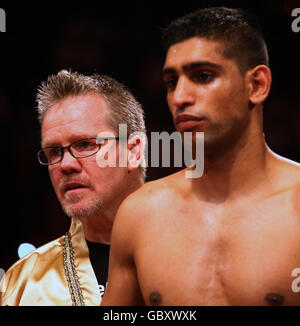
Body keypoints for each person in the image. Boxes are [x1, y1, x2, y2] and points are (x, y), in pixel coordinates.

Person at [101, 7, 300, 306]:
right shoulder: (140, 215)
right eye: (171, 82)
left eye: (203, 76)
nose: (180, 97)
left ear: (256, 85)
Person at [0, 70, 146, 306]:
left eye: (86, 144)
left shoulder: (198, 253)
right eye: (54, 152)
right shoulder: (22, 286)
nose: (65, 164)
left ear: (133, 151)